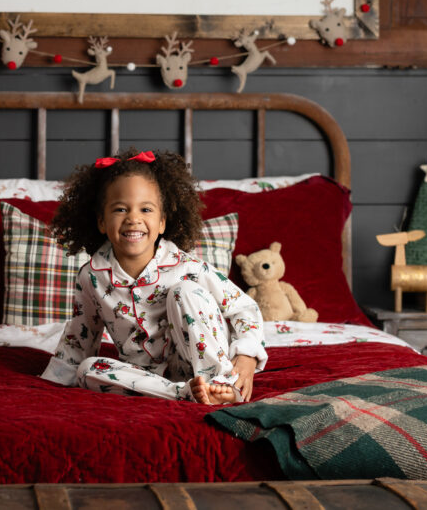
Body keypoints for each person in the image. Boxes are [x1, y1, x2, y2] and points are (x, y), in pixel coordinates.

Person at [40, 148, 267, 404]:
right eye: (120, 210)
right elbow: (82, 332)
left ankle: (219, 386)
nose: (133, 219)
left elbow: (244, 308)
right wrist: (55, 381)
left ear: (162, 223)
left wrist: (247, 356)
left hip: (196, 363)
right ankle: (183, 394)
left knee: (186, 291)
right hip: (146, 376)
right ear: (101, 221)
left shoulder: (187, 266)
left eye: (146, 210)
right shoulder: (91, 276)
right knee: (88, 369)